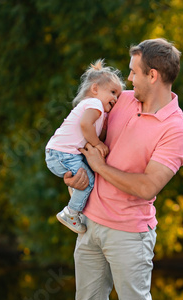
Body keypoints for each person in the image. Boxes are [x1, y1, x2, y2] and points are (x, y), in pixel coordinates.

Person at [63, 38, 183, 300]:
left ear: (153, 75)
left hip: (129, 234)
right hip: (88, 224)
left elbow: (148, 186)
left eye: (134, 72)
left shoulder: (176, 129)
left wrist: (100, 167)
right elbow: (86, 141)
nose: (129, 78)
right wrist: (73, 172)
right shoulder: (121, 101)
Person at [45, 59, 125, 234]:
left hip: (59, 153)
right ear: (95, 89)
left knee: (84, 176)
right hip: (62, 154)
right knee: (87, 180)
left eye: (118, 96)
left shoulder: (97, 110)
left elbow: (93, 131)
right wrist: (98, 144)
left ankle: (77, 201)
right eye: (112, 92)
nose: (115, 98)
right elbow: (85, 126)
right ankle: (71, 213)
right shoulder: (94, 103)